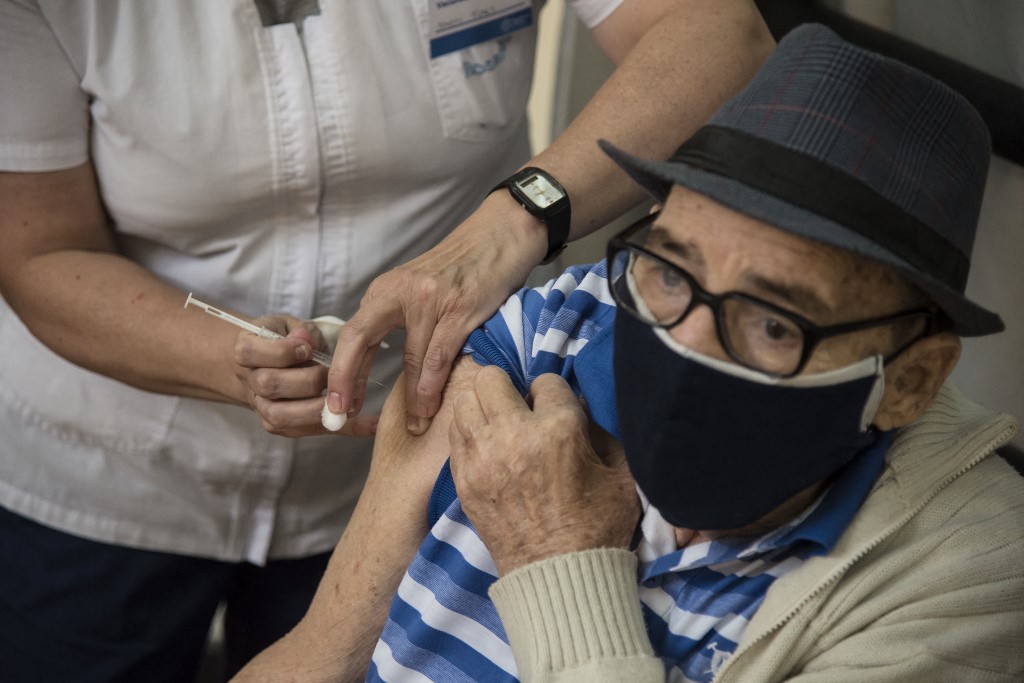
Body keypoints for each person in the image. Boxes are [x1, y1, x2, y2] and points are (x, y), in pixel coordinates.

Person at [0, 1, 776, 679]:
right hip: (108, 483)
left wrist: (519, 217)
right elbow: (36, 251)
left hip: (405, 470)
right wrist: (223, 360)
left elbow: (721, 33)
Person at [235, 23, 1024, 682]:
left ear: (910, 379)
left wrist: (560, 560)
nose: (682, 343)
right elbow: (320, 654)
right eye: (672, 268)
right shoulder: (555, 329)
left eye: (775, 324)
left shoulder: (970, 573)